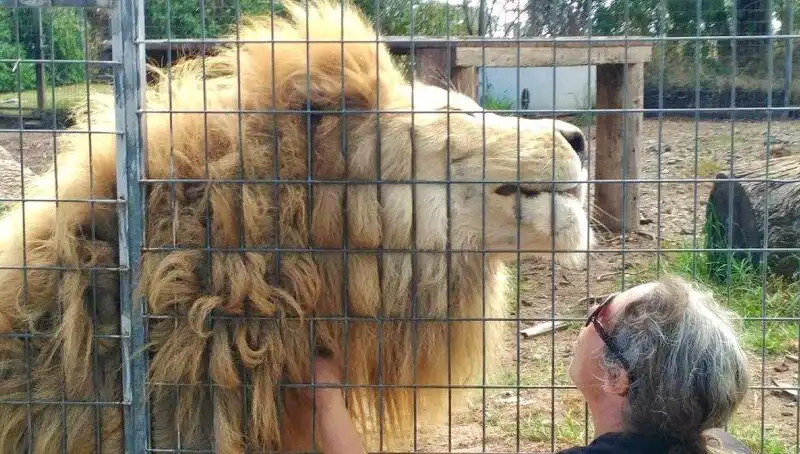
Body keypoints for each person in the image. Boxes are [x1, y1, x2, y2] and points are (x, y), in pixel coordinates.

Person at [298, 275, 752, 454]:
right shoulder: (727, 447)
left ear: (617, 378)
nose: (584, 325)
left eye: (596, 316)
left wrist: (327, 404)